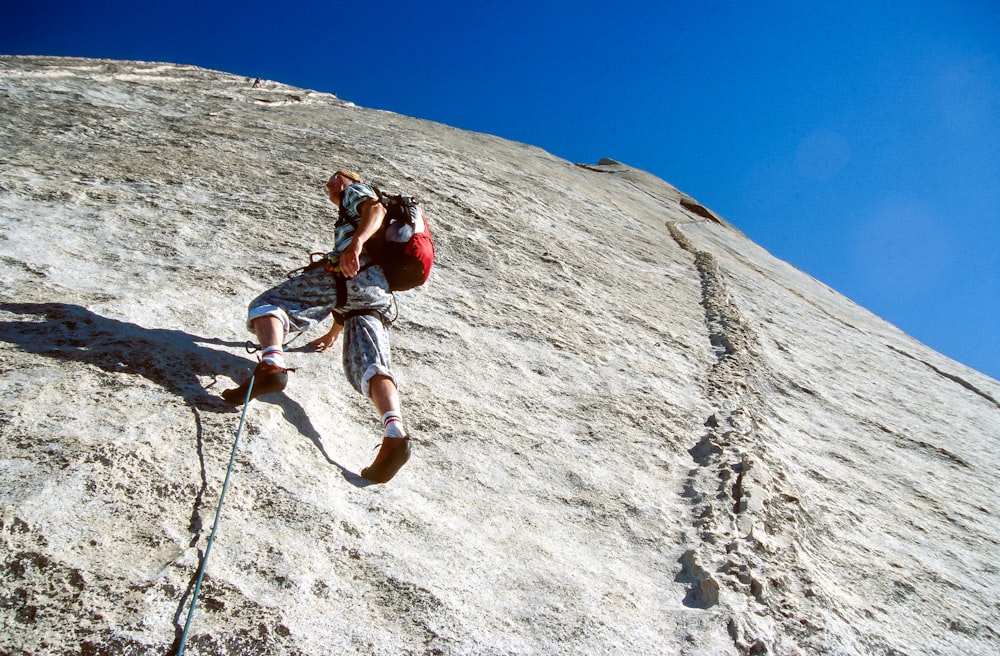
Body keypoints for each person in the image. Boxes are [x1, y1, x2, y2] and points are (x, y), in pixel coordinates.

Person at [221, 169, 411, 484]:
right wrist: (334, 332)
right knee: (372, 365)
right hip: (375, 289)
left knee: (268, 306)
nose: (329, 184)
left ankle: (271, 364)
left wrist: (355, 245)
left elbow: (375, 209)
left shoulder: (355, 191)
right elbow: (347, 299)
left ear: (347, 179)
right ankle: (395, 433)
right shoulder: (355, 215)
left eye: (335, 177)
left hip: (350, 270)